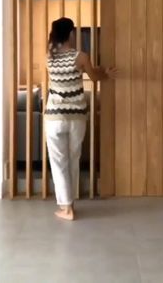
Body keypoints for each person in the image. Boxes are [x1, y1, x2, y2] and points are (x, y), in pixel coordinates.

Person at [45, 17, 116, 221]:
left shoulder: (48, 57)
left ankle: (66, 207)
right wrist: (107, 74)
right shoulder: (81, 56)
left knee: (58, 162)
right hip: (76, 117)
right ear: (70, 34)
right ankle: (70, 204)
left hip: (54, 117)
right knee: (73, 159)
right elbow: (94, 77)